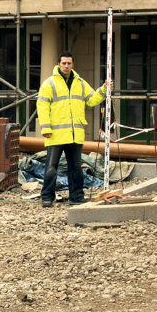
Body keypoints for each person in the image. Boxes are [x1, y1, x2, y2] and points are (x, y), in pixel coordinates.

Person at [36, 52, 112, 208]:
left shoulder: (80, 83)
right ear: (58, 64)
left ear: (73, 64)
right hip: (56, 134)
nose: (66, 66)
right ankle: (47, 197)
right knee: (51, 168)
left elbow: (91, 99)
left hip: (75, 134)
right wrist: (45, 128)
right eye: (63, 63)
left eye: (69, 63)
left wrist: (104, 90)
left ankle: (76, 196)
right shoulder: (49, 84)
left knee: (76, 168)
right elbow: (42, 106)